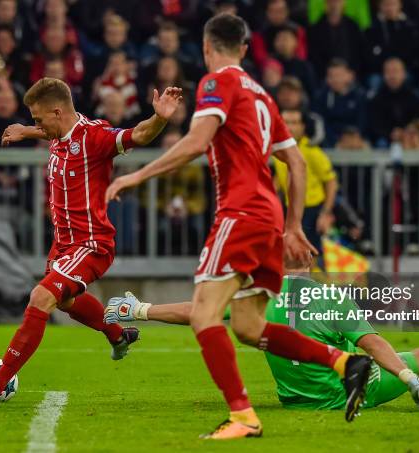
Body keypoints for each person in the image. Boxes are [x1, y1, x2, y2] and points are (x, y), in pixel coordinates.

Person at [105, 13, 377, 439]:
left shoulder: (217, 83)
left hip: (241, 212)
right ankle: (344, 362)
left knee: (205, 314)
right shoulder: (263, 97)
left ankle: (243, 416)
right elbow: (298, 162)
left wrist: (135, 175)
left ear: (208, 47)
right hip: (268, 217)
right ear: (246, 50)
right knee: (249, 327)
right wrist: (293, 225)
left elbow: (196, 142)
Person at [0, 77, 184, 406]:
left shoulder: (94, 137)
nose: (38, 125)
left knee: (40, 296)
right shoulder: (59, 131)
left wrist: (160, 118)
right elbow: (50, 131)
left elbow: (136, 135)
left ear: (57, 112)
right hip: (63, 244)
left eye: (39, 119)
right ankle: (118, 335)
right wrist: (27, 130)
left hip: (91, 244)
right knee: (65, 302)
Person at [103, 269, 419, 411]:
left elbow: (193, 312)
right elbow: (373, 344)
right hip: (348, 393)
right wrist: (407, 376)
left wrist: (140, 310)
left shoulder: (255, 297)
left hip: (294, 398)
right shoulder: (330, 297)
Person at [273, 108, 336, 262]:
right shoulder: (279, 150)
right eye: (285, 122)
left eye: (294, 123)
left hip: (312, 209)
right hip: (289, 208)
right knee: (291, 254)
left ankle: (315, 285)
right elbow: (279, 177)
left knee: (312, 254)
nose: (290, 127)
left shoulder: (312, 152)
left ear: (303, 127)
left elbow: (331, 182)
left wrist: (325, 213)